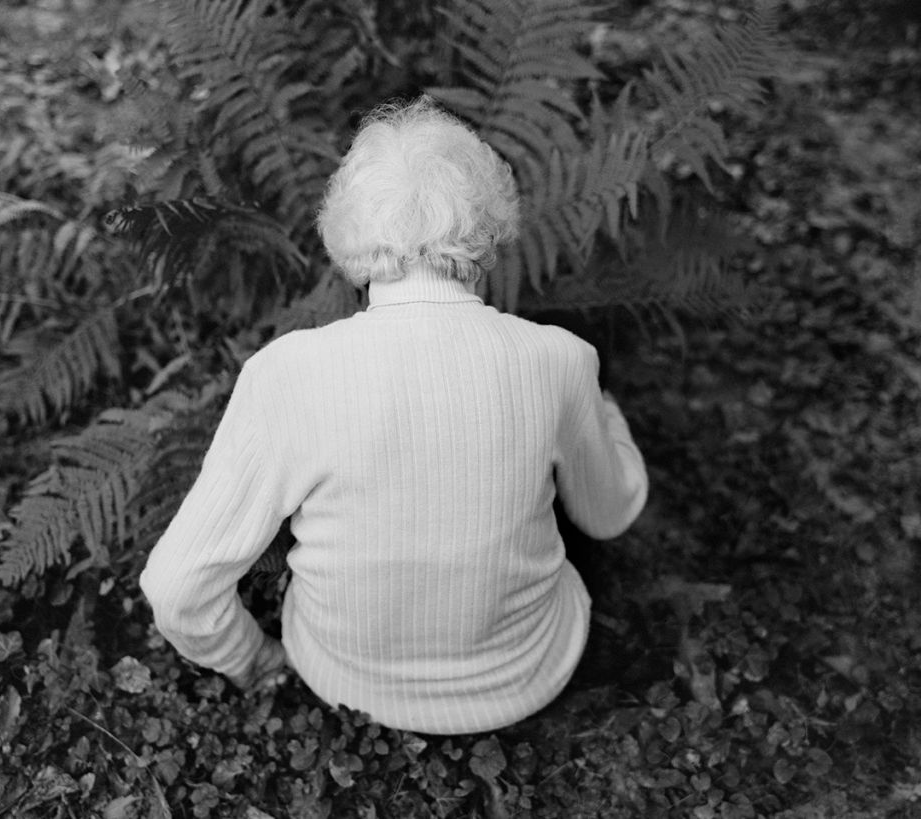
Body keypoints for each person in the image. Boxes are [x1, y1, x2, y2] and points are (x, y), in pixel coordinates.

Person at [140, 97, 648, 735]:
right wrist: (609, 413)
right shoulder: (560, 360)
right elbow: (608, 512)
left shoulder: (286, 374)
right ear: (488, 234)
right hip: (523, 672)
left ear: (349, 237)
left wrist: (251, 660)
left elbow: (176, 586)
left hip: (343, 678)